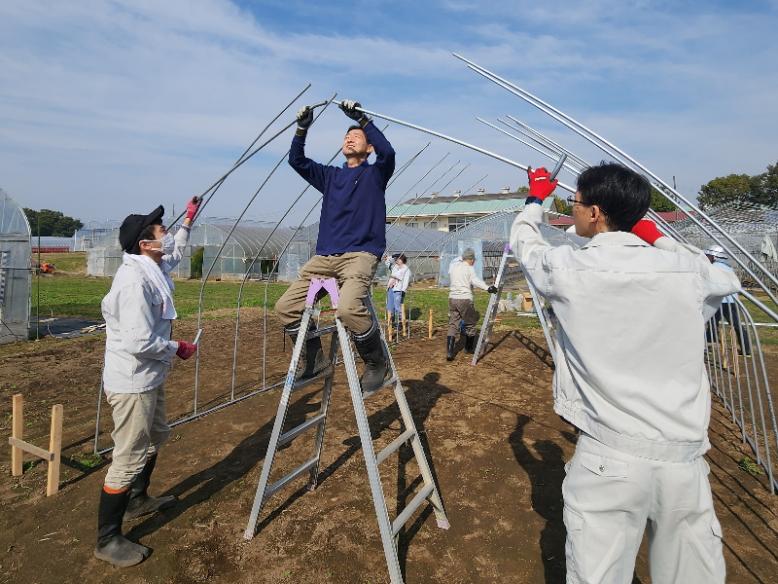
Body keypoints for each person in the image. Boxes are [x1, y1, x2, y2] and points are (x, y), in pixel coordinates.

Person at [511, 162, 739, 583]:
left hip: (610, 456)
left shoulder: (570, 268)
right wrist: (653, 235)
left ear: (595, 213)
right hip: (683, 460)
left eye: (576, 204)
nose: (573, 211)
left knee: (599, 572)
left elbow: (525, 244)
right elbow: (727, 279)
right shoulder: (687, 273)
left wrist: (536, 199)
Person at [95, 198, 201, 567]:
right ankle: (107, 539)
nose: (167, 235)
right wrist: (178, 347)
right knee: (127, 457)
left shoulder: (152, 266)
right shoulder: (134, 282)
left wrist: (189, 219)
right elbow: (138, 341)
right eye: (161, 232)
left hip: (149, 377)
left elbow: (178, 251)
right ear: (145, 244)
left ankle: (138, 499)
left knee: (156, 437)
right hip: (132, 382)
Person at [275, 99, 395, 392]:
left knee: (347, 310)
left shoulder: (375, 174)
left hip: (359, 256)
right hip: (325, 258)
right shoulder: (331, 177)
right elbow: (297, 161)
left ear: (369, 148)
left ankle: (377, 362)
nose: (349, 137)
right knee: (286, 307)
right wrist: (302, 129)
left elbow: (388, 152)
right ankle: (315, 359)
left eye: (357, 136)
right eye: (346, 135)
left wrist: (363, 119)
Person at [446, 248, 497, 360]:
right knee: (471, 323)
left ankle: (449, 353)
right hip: (464, 299)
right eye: (473, 259)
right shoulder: (469, 268)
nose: (474, 261)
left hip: (452, 298)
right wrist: (488, 288)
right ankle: (468, 348)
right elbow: (475, 281)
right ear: (470, 259)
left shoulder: (454, 267)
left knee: (453, 324)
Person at [704, 245, 751, 356]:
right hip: (731, 301)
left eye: (709, 255)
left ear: (714, 257)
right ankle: (746, 350)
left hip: (720, 300)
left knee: (712, 323)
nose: (707, 257)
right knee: (735, 325)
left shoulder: (714, 267)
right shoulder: (728, 267)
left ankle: (709, 346)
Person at [385, 253, 411, 332]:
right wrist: (390, 257)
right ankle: (391, 323)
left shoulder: (406, 269)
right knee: (390, 307)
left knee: (397, 307)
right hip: (391, 289)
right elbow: (387, 262)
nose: (396, 260)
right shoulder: (395, 267)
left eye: (398, 259)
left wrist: (403, 291)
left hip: (398, 290)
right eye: (396, 259)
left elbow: (406, 281)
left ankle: (399, 324)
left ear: (402, 260)